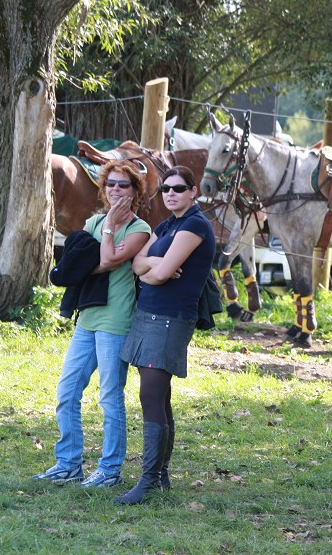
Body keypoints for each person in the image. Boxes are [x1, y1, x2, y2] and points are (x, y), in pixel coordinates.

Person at [33, 160, 151, 487]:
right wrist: (93, 255)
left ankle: (110, 471)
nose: (115, 189)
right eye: (110, 183)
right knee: (67, 391)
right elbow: (73, 264)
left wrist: (110, 228)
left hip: (116, 318)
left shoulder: (139, 229)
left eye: (123, 185)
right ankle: (68, 463)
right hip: (87, 316)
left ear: (135, 191)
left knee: (110, 397)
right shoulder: (91, 222)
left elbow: (110, 259)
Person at [114, 165, 215, 505]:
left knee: (151, 396)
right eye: (167, 189)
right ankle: (159, 476)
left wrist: (153, 268)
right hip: (149, 315)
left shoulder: (195, 225)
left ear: (193, 191)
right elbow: (137, 265)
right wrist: (152, 267)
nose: (171, 193)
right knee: (158, 397)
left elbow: (160, 273)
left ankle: (148, 481)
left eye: (178, 188)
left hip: (171, 318)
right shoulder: (167, 225)